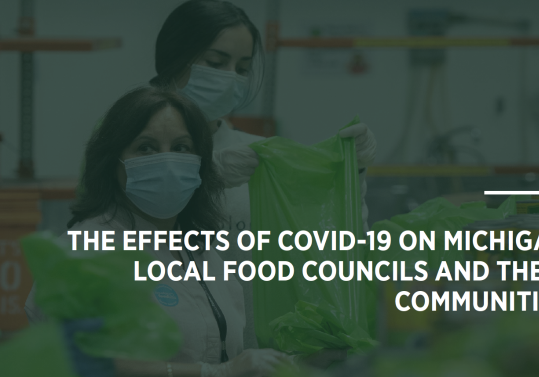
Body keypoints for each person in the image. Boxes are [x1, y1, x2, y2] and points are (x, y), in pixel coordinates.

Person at [150, 0, 377, 350]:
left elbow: (332, 246)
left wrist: (350, 177)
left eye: (242, 68)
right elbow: (110, 230)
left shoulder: (260, 154)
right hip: (169, 359)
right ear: (173, 58)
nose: (230, 78)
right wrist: (204, 176)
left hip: (260, 356)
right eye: (215, 63)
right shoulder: (129, 148)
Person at [25, 86, 292, 377]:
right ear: (113, 161)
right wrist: (213, 373)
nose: (168, 162)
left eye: (181, 148)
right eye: (146, 147)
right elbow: (70, 360)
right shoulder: (84, 251)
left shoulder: (202, 251)